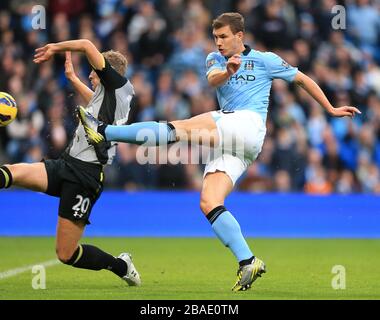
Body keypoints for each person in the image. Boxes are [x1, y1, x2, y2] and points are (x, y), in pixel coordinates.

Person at [78, 13, 361, 291]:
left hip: (246, 124)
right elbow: (214, 79)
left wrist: (330, 108)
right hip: (238, 144)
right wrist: (228, 71)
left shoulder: (266, 60)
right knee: (209, 201)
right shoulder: (215, 59)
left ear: (240, 35)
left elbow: (302, 79)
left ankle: (104, 132)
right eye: (215, 37)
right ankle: (247, 261)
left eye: (224, 36)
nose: (219, 42)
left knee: (181, 128)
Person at [0, 39, 141, 286]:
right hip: (66, 164)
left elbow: (87, 45)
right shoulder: (111, 99)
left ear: (106, 71)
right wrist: (73, 79)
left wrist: (54, 47)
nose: (90, 75)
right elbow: (95, 106)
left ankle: (121, 265)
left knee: (65, 254)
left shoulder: (119, 86)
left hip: (85, 178)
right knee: (12, 173)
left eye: (94, 73)